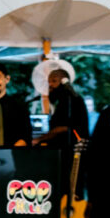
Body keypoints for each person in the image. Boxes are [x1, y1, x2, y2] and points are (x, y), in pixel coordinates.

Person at [33, 67, 90, 199]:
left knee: (72, 188)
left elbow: (63, 128)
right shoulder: (63, 101)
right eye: (49, 82)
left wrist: (39, 139)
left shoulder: (72, 100)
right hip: (62, 153)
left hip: (71, 154)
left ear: (64, 81)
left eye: (53, 81)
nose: (50, 85)